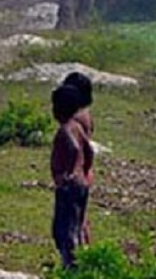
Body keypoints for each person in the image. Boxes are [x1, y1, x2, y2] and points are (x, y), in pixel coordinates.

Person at [50, 83, 92, 269]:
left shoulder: (66, 129)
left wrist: (68, 172)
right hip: (81, 184)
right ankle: (80, 261)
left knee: (63, 229)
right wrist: (84, 170)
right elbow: (89, 150)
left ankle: (71, 265)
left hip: (69, 186)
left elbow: (75, 148)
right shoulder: (78, 126)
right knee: (77, 224)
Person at [61, 71, 94, 244]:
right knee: (80, 219)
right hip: (84, 172)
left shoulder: (75, 121)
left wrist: (70, 170)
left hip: (76, 173)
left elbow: (77, 147)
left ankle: (78, 259)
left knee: (72, 223)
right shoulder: (85, 115)